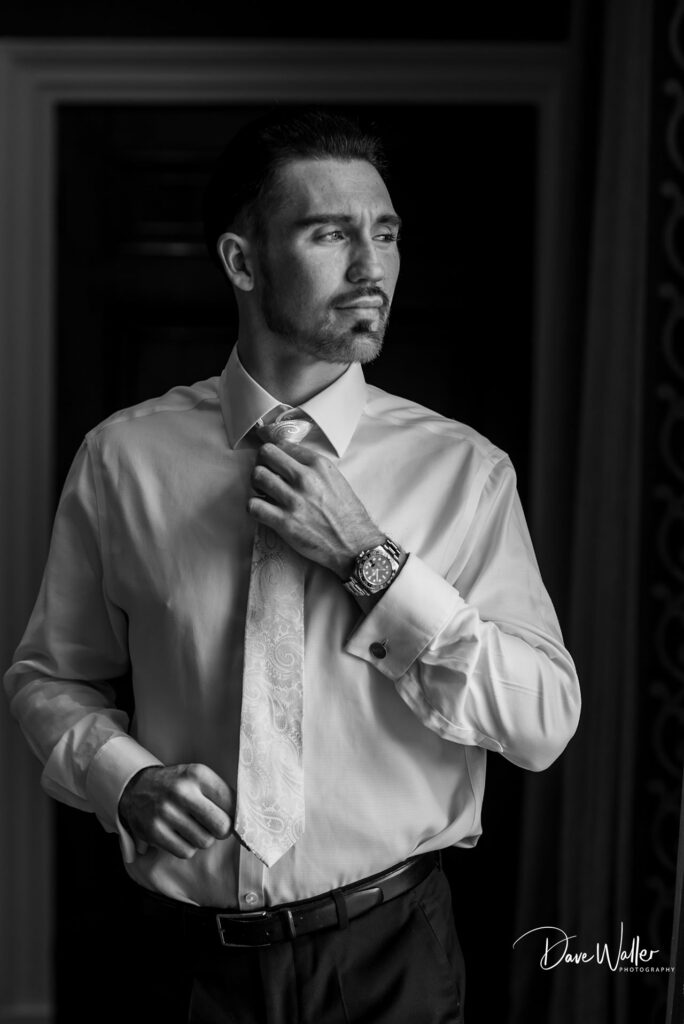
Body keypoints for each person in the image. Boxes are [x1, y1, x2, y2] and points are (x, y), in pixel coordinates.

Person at [4, 109, 580, 1023]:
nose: (373, 268)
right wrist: (125, 779)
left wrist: (371, 560)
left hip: (391, 958)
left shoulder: (465, 471)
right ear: (242, 261)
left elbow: (544, 723)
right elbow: (46, 678)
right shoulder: (122, 461)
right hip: (178, 967)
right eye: (331, 234)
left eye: (385, 234)